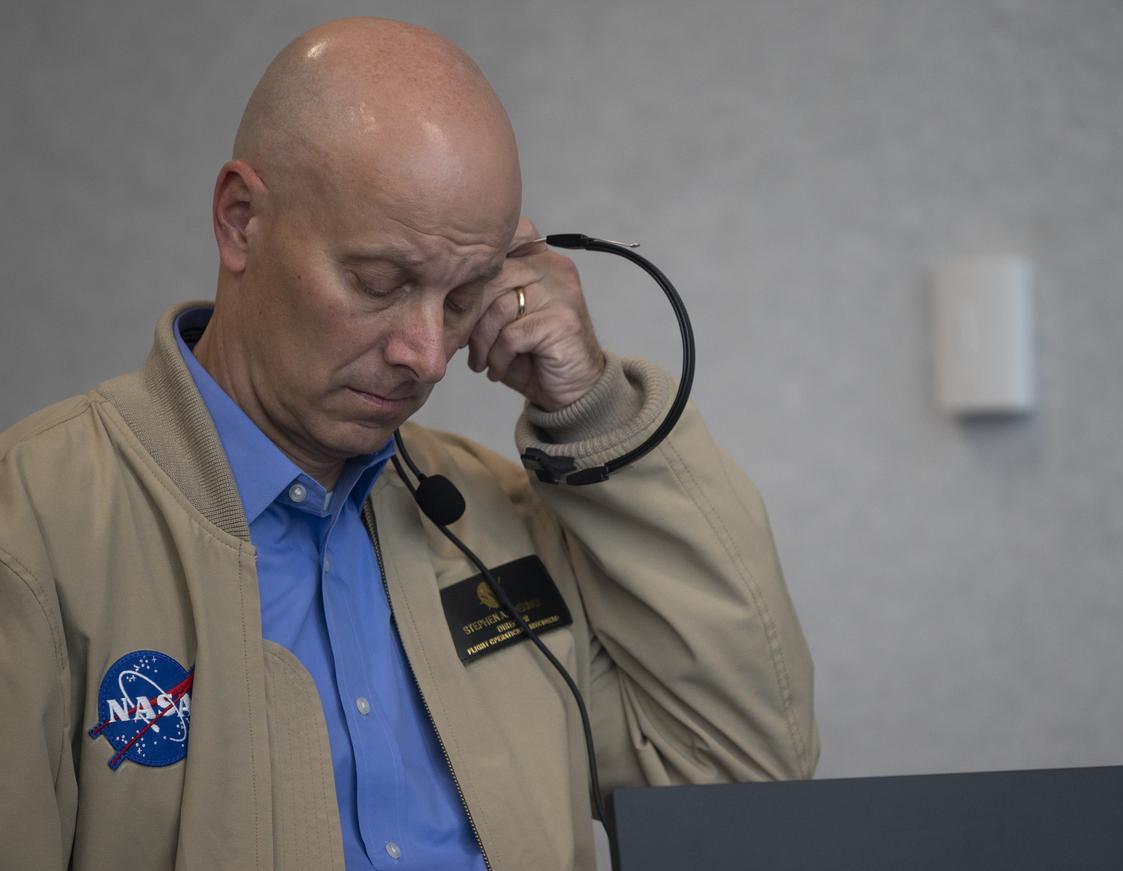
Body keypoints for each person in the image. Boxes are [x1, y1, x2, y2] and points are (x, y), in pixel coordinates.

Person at [0, 17, 817, 871]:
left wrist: (594, 415)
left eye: (464, 295)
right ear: (241, 221)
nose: (427, 355)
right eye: (379, 283)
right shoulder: (36, 530)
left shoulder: (496, 517)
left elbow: (744, 782)